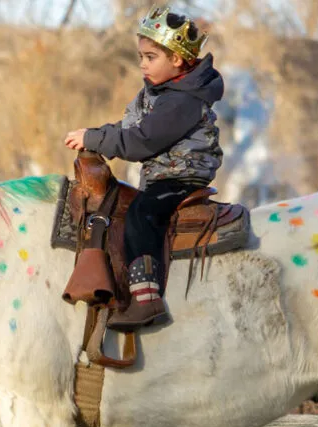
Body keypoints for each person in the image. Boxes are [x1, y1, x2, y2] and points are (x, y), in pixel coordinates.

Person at [64, 5, 224, 330]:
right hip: (165, 173)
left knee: (141, 214)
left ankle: (145, 298)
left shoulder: (182, 101)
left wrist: (96, 139)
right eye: (140, 56)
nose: (142, 65)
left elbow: (140, 142)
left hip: (182, 175)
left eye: (150, 57)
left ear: (177, 59)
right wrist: (96, 138)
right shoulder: (157, 93)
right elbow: (128, 128)